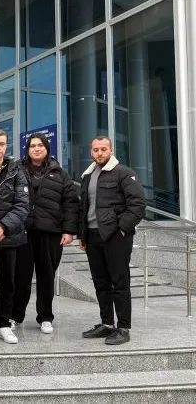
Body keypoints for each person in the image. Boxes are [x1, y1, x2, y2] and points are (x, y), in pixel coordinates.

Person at [79, 136, 145, 345]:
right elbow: (84, 208)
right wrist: (83, 235)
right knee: (101, 283)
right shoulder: (87, 176)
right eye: (96, 149)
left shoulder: (123, 173)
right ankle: (107, 324)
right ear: (91, 152)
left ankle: (123, 328)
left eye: (103, 149)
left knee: (120, 282)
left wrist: (122, 230)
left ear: (111, 150)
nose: (100, 153)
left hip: (115, 237)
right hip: (93, 236)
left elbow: (137, 205)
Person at [12, 133, 79, 334]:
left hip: (50, 233)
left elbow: (70, 203)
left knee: (47, 277)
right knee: (20, 278)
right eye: (32, 146)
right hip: (22, 233)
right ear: (27, 150)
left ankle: (46, 317)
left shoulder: (60, 173)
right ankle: (15, 316)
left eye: (40, 145)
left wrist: (69, 230)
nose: (36, 149)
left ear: (47, 149)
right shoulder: (16, 170)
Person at [0, 129, 29, 344]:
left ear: (6, 146)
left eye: (2, 144)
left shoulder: (17, 171)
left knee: (8, 282)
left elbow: (22, 204)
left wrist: (3, 227)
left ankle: (3, 323)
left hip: (10, 237)